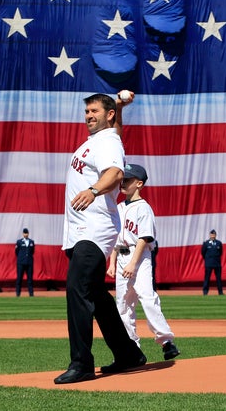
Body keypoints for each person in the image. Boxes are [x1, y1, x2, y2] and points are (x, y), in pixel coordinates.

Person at [54, 92, 146, 385]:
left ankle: (81, 363)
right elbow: (114, 132)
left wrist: (93, 190)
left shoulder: (107, 142)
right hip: (82, 230)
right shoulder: (103, 140)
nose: (88, 115)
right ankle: (128, 353)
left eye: (94, 110)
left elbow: (116, 172)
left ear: (106, 115)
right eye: (86, 111)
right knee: (95, 295)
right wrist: (118, 107)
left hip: (94, 230)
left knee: (76, 288)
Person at [107, 164, 180, 361]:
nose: (123, 183)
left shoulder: (144, 208)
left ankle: (166, 341)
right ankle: (132, 349)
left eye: (128, 180)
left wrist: (132, 263)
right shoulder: (119, 207)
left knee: (147, 297)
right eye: (123, 179)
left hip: (139, 258)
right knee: (123, 305)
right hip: (121, 256)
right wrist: (112, 262)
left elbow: (144, 238)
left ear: (139, 184)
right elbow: (115, 239)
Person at [201, 229, 224, 295]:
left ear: (215, 235)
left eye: (214, 235)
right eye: (211, 235)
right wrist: (207, 259)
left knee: (218, 278)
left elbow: (220, 252)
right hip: (209, 263)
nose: (213, 236)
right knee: (207, 278)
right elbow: (203, 253)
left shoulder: (219, 243)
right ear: (210, 235)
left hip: (217, 264)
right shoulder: (206, 243)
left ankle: (220, 292)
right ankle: (205, 292)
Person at [15, 228, 35, 297]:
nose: (25, 234)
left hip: (29, 263)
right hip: (21, 263)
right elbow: (16, 252)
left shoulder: (31, 242)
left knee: (30, 279)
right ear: (23, 234)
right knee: (19, 278)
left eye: (27, 233)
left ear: (28, 234)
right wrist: (21, 258)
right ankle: (18, 293)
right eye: (24, 233)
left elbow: (32, 251)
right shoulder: (19, 242)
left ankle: (31, 293)